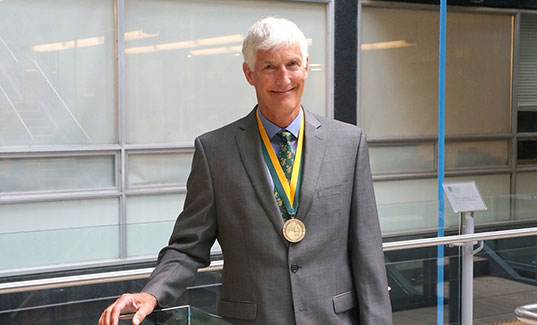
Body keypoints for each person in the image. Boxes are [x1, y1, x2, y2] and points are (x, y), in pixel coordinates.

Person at [99, 16, 392, 325]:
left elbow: (367, 251)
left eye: (292, 64)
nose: (283, 79)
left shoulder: (348, 143)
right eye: (269, 67)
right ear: (249, 74)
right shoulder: (215, 152)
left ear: (306, 66)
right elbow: (187, 247)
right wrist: (152, 293)